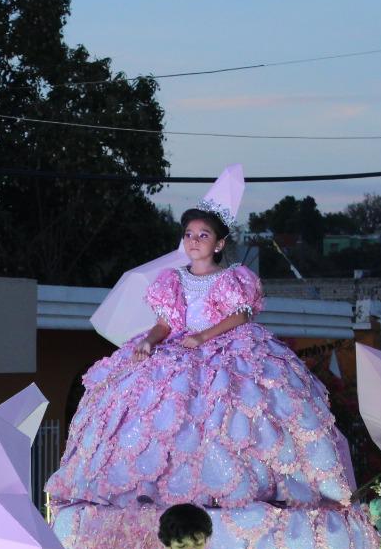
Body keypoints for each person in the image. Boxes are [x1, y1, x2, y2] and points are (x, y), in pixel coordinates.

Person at [46, 198, 354, 513]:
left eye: (203, 235)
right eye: (189, 234)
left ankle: (247, 486)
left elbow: (241, 315)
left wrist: (203, 337)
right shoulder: (173, 279)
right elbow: (165, 324)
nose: (194, 240)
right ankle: (157, 487)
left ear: (219, 243)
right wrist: (148, 342)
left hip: (226, 344)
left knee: (237, 406)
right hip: (179, 345)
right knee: (153, 406)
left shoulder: (232, 277)